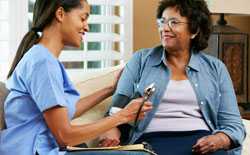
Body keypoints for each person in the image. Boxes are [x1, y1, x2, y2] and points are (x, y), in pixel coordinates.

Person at [0, 0, 153, 155]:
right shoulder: (43, 62)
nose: (86, 27)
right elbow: (64, 136)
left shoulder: (43, 58)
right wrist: (123, 116)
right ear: (60, 14)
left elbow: (64, 113)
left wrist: (109, 90)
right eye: (82, 18)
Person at [99, 0, 246, 155]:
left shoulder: (216, 68)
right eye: (162, 22)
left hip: (201, 143)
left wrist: (220, 139)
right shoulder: (140, 60)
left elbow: (233, 123)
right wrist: (110, 127)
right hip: (150, 141)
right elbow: (117, 106)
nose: (164, 28)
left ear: (194, 31)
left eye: (174, 22)